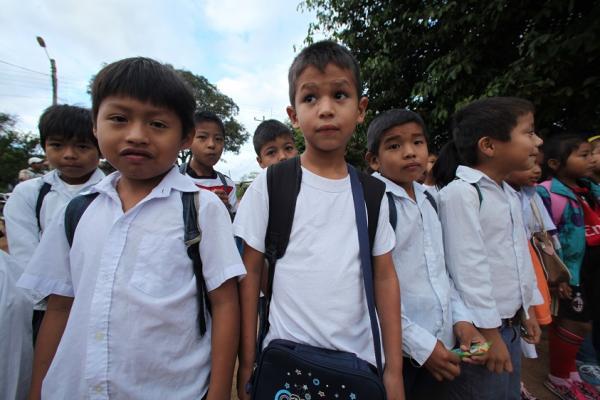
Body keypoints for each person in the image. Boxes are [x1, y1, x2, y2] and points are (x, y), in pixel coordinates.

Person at [17, 57, 245, 399]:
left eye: (157, 124)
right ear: (95, 126)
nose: (137, 135)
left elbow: (225, 304)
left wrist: (218, 393)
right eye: (119, 119)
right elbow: (60, 307)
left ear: (184, 137)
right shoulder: (77, 211)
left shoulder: (202, 208)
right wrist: (38, 389)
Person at [234, 40, 404, 400]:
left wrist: (394, 371)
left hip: (356, 368)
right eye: (310, 98)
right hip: (285, 364)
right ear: (294, 115)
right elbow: (250, 275)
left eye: (339, 95)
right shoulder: (272, 183)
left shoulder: (372, 194)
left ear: (360, 109)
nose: (326, 109)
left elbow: (386, 278)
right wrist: (247, 362)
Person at [365, 108, 485, 399]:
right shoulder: (374, 203)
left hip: (441, 343)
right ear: (374, 160)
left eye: (417, 142)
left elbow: (440, 270)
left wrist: (462, 320)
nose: (410, 152)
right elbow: (368, 288)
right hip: (399, 352)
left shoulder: (431, 199)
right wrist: (420, 345)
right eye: (395, 145)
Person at [434, 97, 543, 400]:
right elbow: (468, 270)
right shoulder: (462, 194)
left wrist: (528, 309)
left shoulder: (508, 193)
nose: (538, 141)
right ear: (489, 146)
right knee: (483, 391)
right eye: (529, 132)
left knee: (507, 392)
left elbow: (519, 256)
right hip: (481, 332)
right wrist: (491, 336)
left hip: (510, 324)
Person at [4, 104, 105, 340]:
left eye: (82, 146)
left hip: (97, 304)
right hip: (44, 306)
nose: (69, 154)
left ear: (101, 148)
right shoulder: (29, 193)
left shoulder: (113, 193)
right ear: (44, 147)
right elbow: (24, 253)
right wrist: (53, 299)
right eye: (57, 145)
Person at [537, 134, 600, 399]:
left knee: (585, 321)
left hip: (592, 267)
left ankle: (572, 374)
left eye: (590, 154)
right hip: (570, 271)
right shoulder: (548, 192)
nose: (590, 160)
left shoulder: (590, 189)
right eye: (583, 155)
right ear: (555, 163)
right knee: (573, 322)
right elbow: (545, 237)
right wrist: (556, 275)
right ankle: (559, 376)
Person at [182, 110, 237, 216]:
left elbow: (234, 223)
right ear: (189, 141)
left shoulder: (228, 186)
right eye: (202, 137)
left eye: (218, 139)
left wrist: (225, 208)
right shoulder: (174, 179)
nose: (211, 144)